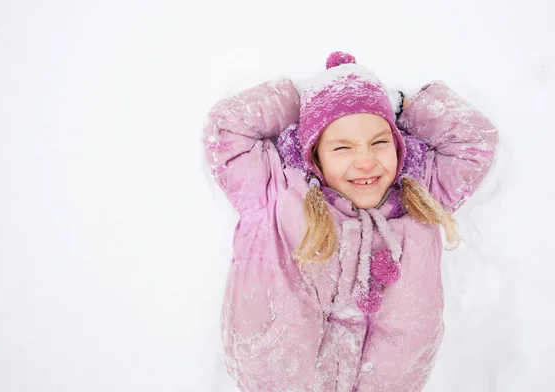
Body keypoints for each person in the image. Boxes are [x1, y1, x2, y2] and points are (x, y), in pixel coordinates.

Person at [203, 51, 498, 392]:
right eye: (342, 148)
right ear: (314, 156)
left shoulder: (422, 195)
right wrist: (301, 101)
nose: (365, 161)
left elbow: (476, 141)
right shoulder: (274, 190)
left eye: (380, 142)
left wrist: (407, 107)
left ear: (399, 147)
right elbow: (226, 129)